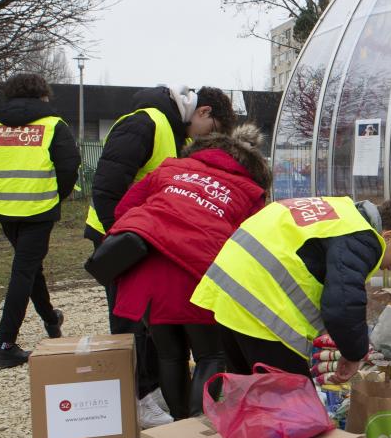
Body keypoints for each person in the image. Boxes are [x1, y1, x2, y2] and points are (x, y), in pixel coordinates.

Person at [106, 124, 270, 419]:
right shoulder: (249, 191)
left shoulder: (170, 169)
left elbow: (122, 210)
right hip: (200, 274)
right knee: (211, 355)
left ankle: (179, 428)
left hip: (148, 271)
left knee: (170, 355)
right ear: (252, 164)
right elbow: (254, 243)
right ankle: (197, 428)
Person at [85, 85, 234, 399]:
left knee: (152, 323)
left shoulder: (175, 132)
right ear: (204, 111)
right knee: (129, 321)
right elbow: (107, 187)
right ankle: (138, 397)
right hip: (123, 237)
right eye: (213, 129)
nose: (208, 138)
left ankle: (152, 392)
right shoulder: (146, 123)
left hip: (144, 237)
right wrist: (121, 240)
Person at [191, 197, 391, 383]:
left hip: (230, 294)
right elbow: (343, 305)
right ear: (388, 237)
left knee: (253, 397)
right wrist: (354, 353)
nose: (388, 268)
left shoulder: (341, 212)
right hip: (261, 306)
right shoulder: (362, 237)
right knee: (294, 409)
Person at [0, 73, 80, 368]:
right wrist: (54, 196)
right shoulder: (53, 125)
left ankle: (50, 318)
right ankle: (5, 345)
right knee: (23, 270)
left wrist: (1, 190)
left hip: (4, 208)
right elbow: (69, 168)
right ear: (43, 96)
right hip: (39, 208)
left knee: (29, 266)